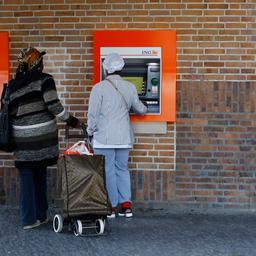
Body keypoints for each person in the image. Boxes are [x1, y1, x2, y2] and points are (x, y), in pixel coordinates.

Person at [8, 47, 82, 229]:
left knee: (27, 177)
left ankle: (29, 220)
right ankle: (41, 215)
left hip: (21, 140)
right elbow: (54, 106)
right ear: (38, 63)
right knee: (40, 175)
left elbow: (10, 111)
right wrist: (73, 121)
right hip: (41, 139)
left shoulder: (13, 84)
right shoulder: (45, 80)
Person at [87, 53, 147, 218]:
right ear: (121, 68)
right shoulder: (130, 87)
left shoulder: (98, 88)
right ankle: (126, 206)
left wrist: (90, 132)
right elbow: (140, 109)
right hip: (123, 137)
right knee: (122, 169)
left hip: (104, 138)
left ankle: (112, 207)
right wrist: (146, 107)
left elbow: (92, 115)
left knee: (108, 171)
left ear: (105, 69)